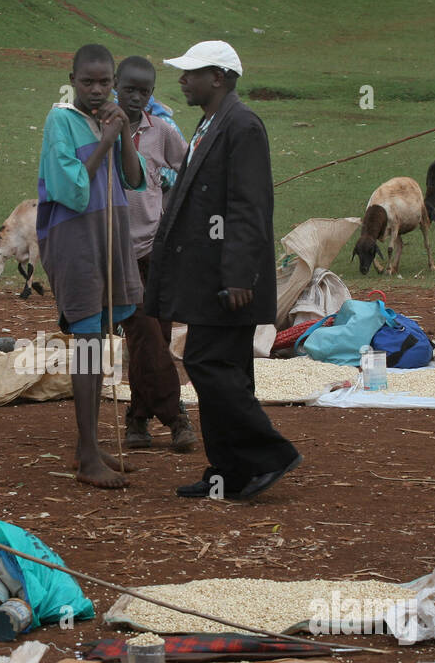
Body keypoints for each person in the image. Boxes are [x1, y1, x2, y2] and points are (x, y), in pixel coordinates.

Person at [146, 40, 302, 501]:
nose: (182, 80)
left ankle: (268, 454)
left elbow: (248, 208)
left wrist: (238, 276)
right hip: (206, 274)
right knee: (228, 368)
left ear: (218, 77)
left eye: (191, 72)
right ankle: (228, 473)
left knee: (206, 362)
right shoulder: (212, 122)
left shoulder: (243, 125)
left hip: (229, 279)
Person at [37, 44, 146, 489]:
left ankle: (92, 442)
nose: (98, 90)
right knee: (85, 343)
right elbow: (73, 188)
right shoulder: (59, 121)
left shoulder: (109, 118)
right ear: (72, 79)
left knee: (100, 341)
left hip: (110, 233)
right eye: (88, 82)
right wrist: (104, 139)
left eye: (105, 82)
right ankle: (86, 455)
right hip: (76, 237)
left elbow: (134, 179)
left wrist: (121, 133)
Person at [115, 56, 197, 454]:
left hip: (155, 247)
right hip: (117, 254)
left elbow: (188, 169)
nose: (136, 98)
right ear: (116, 85)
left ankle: (137, 416)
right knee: (145, 332)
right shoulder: (98, 130)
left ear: (151, 94)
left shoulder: (161, 131)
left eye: (144, 91)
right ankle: (176, 415)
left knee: (155, 337)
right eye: (129, 89)